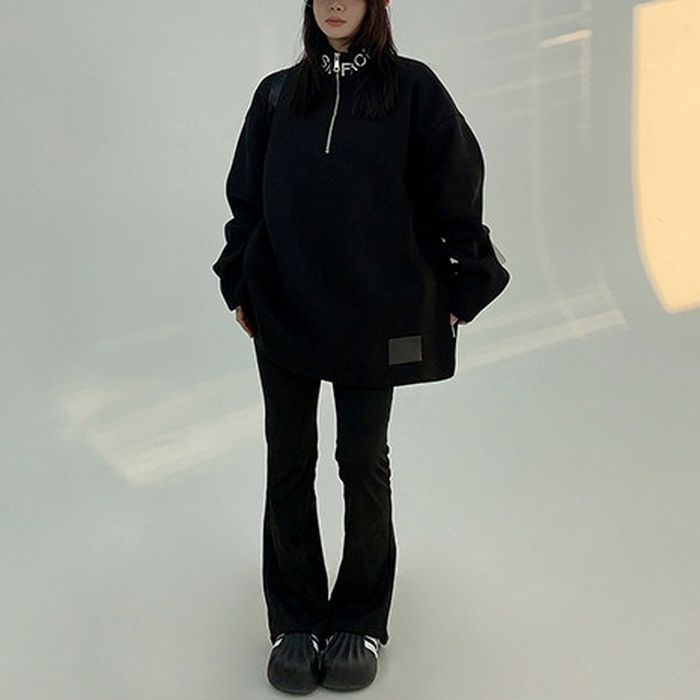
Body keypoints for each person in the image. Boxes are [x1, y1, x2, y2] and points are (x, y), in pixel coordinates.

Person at [212, 0, 510, 694]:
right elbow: (246, 200)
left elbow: (456, 187)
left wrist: (464, 285)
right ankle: (294, 620)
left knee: (361, 461)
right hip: (284, 310)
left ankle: (360, 618)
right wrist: (240, 283)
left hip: (374, 315)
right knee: (289, 460)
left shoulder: (414, 90)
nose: (336, 3)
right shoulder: (277, 95)